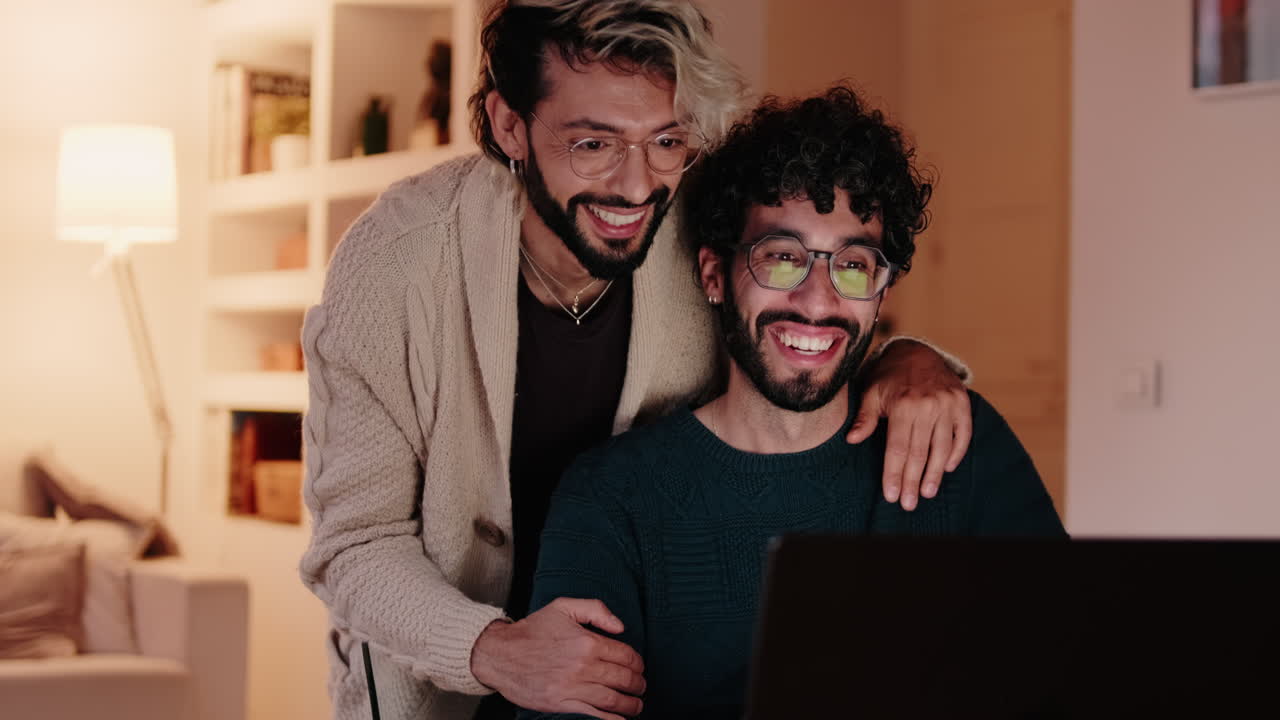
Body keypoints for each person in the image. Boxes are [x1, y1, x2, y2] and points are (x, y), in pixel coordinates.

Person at [298, 2, 973, 719]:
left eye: (667, 141)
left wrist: (909, 357)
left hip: (640, 684)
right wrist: (495, 648)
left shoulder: (698, 222)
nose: (636, 185)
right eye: (593, 145)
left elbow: (801, 325)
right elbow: (355, 545)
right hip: (437, 686)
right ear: (508, 125)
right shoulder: (394, 266)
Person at [519, 85, 1067, 720]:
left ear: (881, 293)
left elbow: (1072, 673)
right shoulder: (612, 497)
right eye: (782, 259)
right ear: (715, 275)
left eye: (854, 266)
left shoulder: (956, 445)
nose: (817, 301)